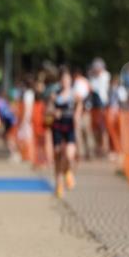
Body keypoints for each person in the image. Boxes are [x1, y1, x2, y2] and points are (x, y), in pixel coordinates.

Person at [47, 66, 84, 198]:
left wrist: (77, 115)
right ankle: (59, 184)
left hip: (70, 126)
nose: (65, 82)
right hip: (57, 127)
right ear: (60, 81)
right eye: (63, 79)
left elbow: (80, 105)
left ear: (70, 80)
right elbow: (49, 109)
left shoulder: (75, 94)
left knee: (69, 155)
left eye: (67, 79)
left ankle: (68, 172)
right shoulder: (54, 94)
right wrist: (53, 112)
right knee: (57, 155)